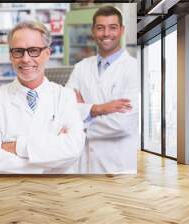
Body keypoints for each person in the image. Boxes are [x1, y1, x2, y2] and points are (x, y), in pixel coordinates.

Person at [0, 21, 85, 174]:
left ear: (47, 53)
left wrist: (16, 147)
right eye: (18, 51)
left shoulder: (65, 96)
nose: (26, 59)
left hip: (57, 193)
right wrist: (51, 162)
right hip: (9, 194)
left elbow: (74, 149)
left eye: (33, 50)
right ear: (10, 56)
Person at [66, 6, 140, 174]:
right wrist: (98, 109)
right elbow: (64, 111)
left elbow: (123, 124)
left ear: (122, 30)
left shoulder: (134, 69)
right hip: (83, 165)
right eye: (100, 28)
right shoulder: (81, 67)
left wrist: (82, 116)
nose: (106, 33)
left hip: (118, 166)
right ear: (93, 31)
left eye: (112, 27)